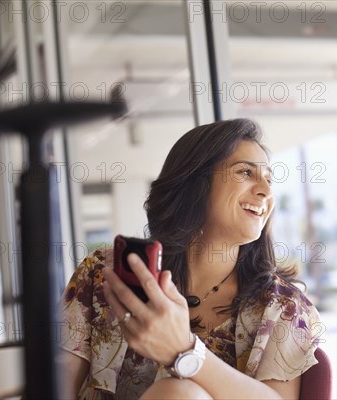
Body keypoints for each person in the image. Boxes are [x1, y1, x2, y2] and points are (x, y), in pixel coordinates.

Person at [57, 119, 322, 399]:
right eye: (246, 172)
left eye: (269, 179)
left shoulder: (283, 307)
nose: (266, 192)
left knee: (179, 393)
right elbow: (56, 382)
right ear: (196, 184)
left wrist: (184, 352)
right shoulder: (103, 274)